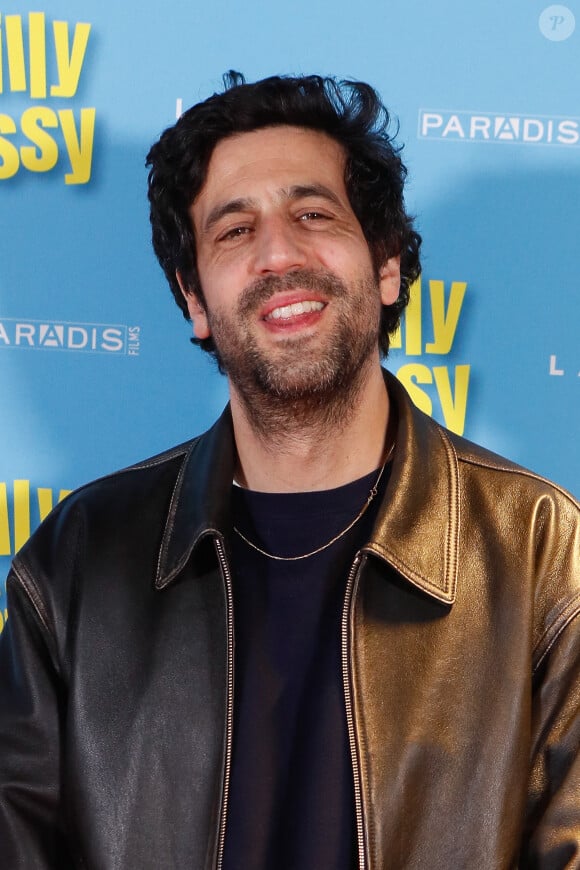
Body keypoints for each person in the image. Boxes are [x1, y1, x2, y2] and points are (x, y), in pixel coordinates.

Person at [0, 72, 578, 870]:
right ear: (195, 299)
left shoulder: (543, 553)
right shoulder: (77, 560)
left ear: (386, 266)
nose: (278, 253)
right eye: (234, 232)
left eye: (313, 214)